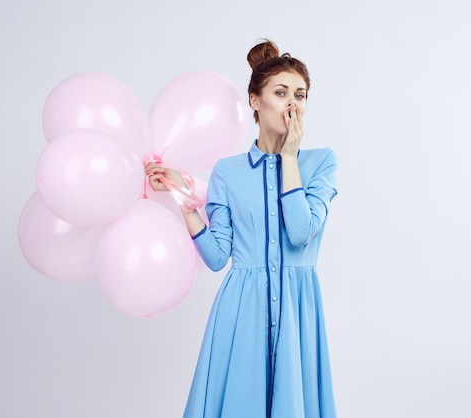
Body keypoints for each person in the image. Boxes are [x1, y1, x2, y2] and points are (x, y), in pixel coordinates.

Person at [145, 40, 338, 418]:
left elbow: (301, 232)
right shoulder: (227, 172)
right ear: (255, 101)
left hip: (299, 308)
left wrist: (288, 157)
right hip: (241, 310)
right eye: (280, 93)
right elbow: (218, 257)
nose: (292, 104)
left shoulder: (321, 163)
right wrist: (183, 196)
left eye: (300, 95)